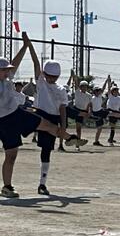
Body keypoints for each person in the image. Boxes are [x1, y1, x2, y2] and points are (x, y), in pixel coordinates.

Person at [0, 35, 85, 198]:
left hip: (17, 114)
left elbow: (15, 62)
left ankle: (69, 137)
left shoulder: (7, 78)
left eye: (7, 69)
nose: (8, 71)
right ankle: (7, 187)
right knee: (11, 154)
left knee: (47, 125)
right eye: (4, 69)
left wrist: (25, 46)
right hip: (4, 122)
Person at [28, 41, 88, 194]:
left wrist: (63, 125)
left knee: (46, 151)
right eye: (49, 76)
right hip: (40, 114)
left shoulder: (61, 89)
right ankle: (70, 137)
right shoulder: (41, 83)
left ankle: (42, 183)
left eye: (55, 77)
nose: (52, 79)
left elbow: (62, 108)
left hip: (54, 118)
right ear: (44, 74)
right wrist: (29, 45)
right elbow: (35, 62)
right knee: (25, 115)